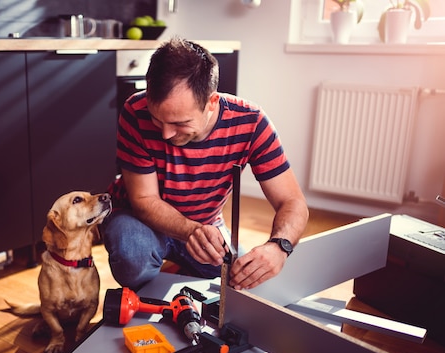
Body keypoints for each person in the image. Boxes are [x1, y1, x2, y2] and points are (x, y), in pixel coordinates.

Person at [102, 36, 309, 291]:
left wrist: (279, 246)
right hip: (138, 220)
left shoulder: (251, 122)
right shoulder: (135, 111)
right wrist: (190, 231)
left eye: (179, 123)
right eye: (157, 120)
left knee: (245, 284)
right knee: (131, 252)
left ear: (212, 103)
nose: (165, 134)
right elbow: (144, 201)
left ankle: (175, 269)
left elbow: (293, 202)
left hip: (206, 225)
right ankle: (158, 285)